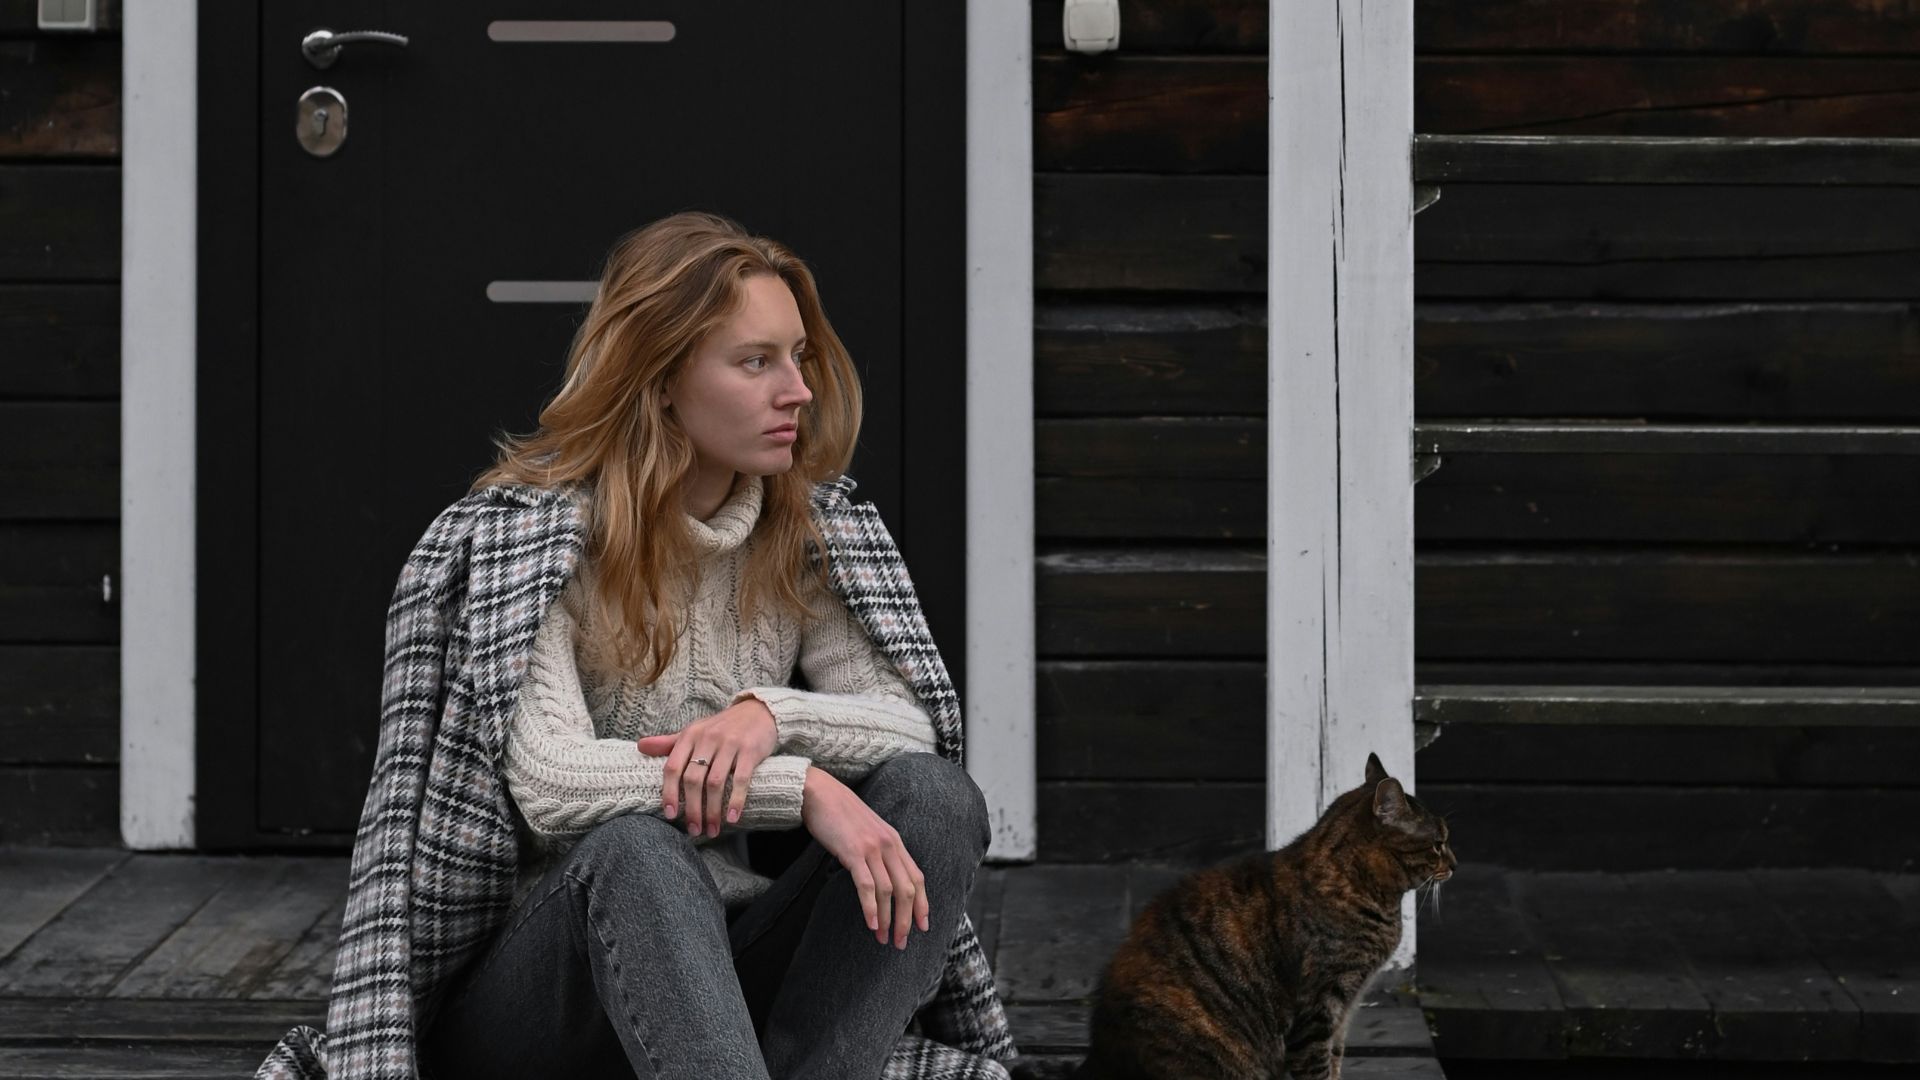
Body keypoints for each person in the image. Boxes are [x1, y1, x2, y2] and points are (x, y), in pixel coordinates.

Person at [254, 212, 1017, 1080]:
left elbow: (910, 727)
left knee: (933, 800)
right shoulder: (529, 543)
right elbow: (549, 781)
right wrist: (799, 786)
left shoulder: (803, 532)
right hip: (545, 994)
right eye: (755, 361)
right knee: (635, 850)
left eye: (798, 356)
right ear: (659, 381)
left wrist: (767, 716)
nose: (797, 390)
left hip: (720, 976)